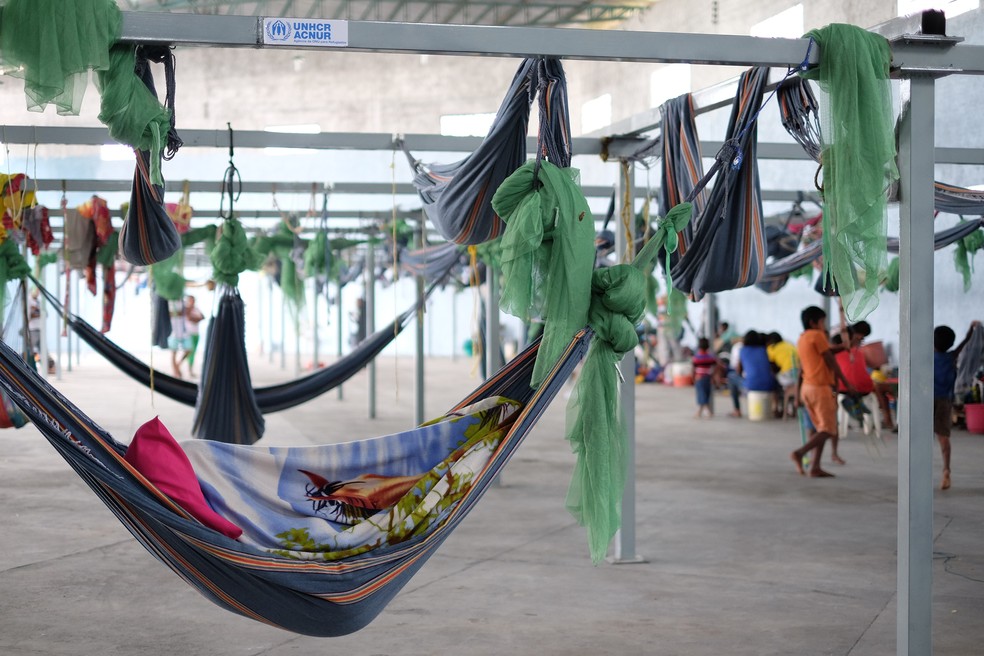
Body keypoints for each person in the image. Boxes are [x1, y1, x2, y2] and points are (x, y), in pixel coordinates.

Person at [790, 306, 855, 477]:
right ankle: (800, 453)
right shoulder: (817, 335)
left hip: (807, 388)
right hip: (819, 388)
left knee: (821, 429)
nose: (823, 325)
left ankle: (815, 467)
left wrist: (843, 346)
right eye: (822, 321)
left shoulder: (803, 338)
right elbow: (830, 359)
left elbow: (825, 352)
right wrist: (846, 383)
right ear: (813, 322)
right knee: (828, 430)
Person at [934, 321, 982, 490]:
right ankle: (946, 469)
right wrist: (970, 329)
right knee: (944, 438)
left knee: (921, 437)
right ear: (951, 343)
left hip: (926, 400)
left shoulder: (926, 357)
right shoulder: (951, 356)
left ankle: (919, 471)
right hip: (945, 401)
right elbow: (966, 342)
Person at [766, 331, 798, 417]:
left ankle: (778, 408)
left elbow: (772, 365)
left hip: (787, 376)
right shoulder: (789, 345)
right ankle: (790, 407)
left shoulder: (771, 348)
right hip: (798, 374)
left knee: (774, 381)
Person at [179, 295, 205, 378]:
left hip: (196, 334)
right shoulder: (186, 309)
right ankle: (178, 365)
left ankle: (190, 371)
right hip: (188, 333)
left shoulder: (196, 309)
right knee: (188, 351)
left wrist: (197, 318)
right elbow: (190, 318)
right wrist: (197, 318)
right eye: (190, 300)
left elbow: (202, 317)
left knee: (193, 353)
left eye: (193, 300)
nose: (192, 302)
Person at [692, 337, 717, 418]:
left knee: (701, 395)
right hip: (708, 377)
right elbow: (715, 365)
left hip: (699, 378)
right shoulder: (710, 357)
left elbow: (693, 368)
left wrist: (693, 377)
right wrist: (713, 376)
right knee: (706, 394)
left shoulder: (697, 357)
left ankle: (704, 411)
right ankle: (701, 411)